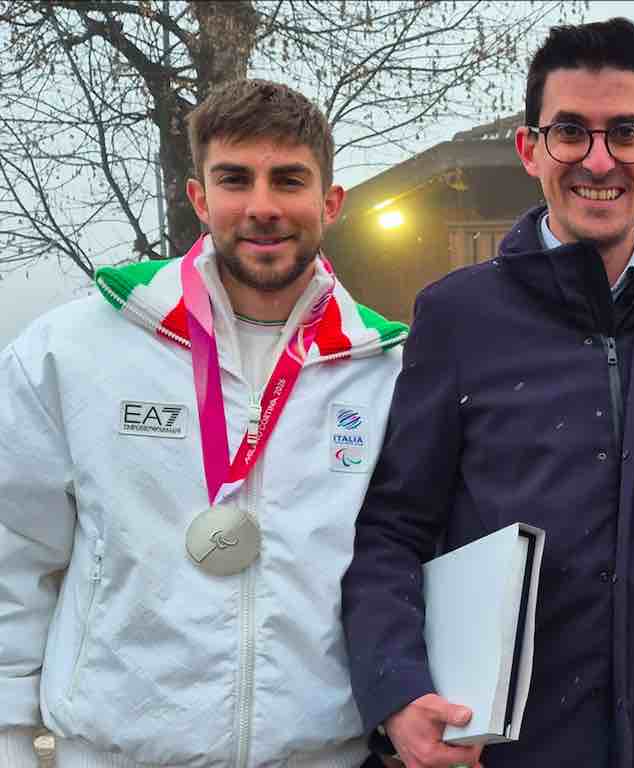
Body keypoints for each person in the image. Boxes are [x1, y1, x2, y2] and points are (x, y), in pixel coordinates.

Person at [341, 16, 634, 768]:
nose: (598, 160)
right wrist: (398, 689)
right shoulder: (457, 315)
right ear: (529, 148)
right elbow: (393, 530)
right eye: (570, 131)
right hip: (510, 749)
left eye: (623, 133)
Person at [0, 80, 406, 767]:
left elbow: (405, 562)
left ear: (330, 202)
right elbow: (15, 550)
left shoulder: (385, 370)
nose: (263, 207)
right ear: (199, 198)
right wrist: (9, 738)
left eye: (289, 180)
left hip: (323, 756)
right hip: (115, 754)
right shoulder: (75, 349)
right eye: (234, 179)